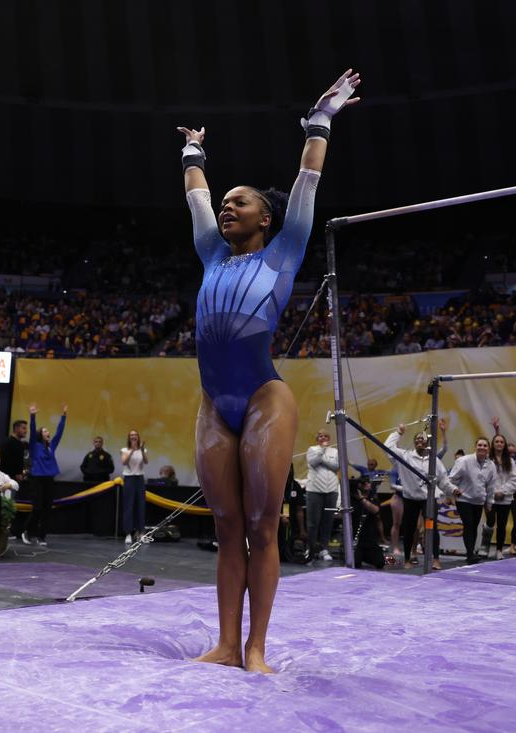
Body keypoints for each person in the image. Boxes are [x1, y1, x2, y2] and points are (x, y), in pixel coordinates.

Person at [179, 68, 360, 673]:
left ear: (265, 218)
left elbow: (308, 180)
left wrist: (321, 119)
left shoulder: (287, 248)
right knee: (227, 525)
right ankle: (227, 645)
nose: (227, 207)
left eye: (241, 201)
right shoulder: (210, 252)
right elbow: (196, 197)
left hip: (263, 395)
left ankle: (257, 648)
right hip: (214, 402)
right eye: (226, 202)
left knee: (262, 524)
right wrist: (192, 151)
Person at [384, 424, 456, 570]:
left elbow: (443, 480)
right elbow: (387, 447)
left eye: (422, 439)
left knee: (432, 528)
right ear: (414, 442)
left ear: (427, 442)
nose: (420, 441)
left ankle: (435, 559)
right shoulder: (404, 457)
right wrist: (398, 433)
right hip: (411, 499)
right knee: (409, 529)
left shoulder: (434, 460)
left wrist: (453, 490)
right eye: (417, 439)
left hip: (429, 500)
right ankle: (407, 559)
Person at [448, 437, 498, 564]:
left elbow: (491, 487)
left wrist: (489, 503)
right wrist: (454, 489)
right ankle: (470, 554)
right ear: (475, 446)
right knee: (468, 525)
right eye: (480, 445)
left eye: (485, 445)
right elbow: (451, 479)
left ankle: (470, 553)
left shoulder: (491, 465)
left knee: (474, 527)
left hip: (479, 501)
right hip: (464, 499)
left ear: (488, 449)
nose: (482, 447)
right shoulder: (463, 461)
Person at [25, 403, 66, 547]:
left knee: (47, 509)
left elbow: (59, 433)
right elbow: (31, 429)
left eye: (48, 431)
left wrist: (64, 416)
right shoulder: (34, 446)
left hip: (49, 479)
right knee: (37, 508)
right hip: (37, 478)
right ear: (40, 435)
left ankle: (42, 536)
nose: (48, 433)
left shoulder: (51, 446)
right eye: (45, 431)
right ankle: (29, 533)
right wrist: (33, 415)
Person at [490, 416, 516, 555]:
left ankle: (513, 544)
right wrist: (496, 430)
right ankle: (489, 544)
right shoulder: (500, 459)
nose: (513, 453)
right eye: (511, 452)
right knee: (493, 521)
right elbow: (497, 443)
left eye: (515, 452)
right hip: (500, 492)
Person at [305, 429, 340, 563]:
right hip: (314, 490)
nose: (323, 437)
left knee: (327, 522)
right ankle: (311, 548)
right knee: (313, 522)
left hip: (331, 490)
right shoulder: (312, 449)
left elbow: (336, 466)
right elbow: (313, 462)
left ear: (329, 438)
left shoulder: (335, 452)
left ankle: (324, 549)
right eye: (320, 436)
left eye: (325, 436)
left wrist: (323, 460)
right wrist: (322, 451)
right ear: (317, 439)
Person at [120, 429, 149, 545]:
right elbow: (124, 462)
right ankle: (128, 534)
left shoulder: (143, 450)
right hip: (129, 479)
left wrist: (141, 450)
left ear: (138, 437)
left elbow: (146, 462)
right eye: (131, 435)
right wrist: (132, 450)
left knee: (140, 506)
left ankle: (141, 533)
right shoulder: (124, 450)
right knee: (129, 506)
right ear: (129, 438)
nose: (133, 437)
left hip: (139, 479)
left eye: (135, 435)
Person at [350, 478, 385, 569]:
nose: (368, 484)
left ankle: (364, 557)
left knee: (380, 563)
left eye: (368, 482)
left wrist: (362, 499)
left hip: (370, 540)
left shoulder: (372, 498)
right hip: (357, 541)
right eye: (365, 483)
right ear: (359, 486)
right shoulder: (351, 500)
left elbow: (375, 510)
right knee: (355, 564)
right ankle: (358, 556)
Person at [0, 419, 30, 484]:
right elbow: (5, 461)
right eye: (24, 428)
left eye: (26, 429)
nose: (26, 431)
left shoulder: (21, 444)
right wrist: (16, 474)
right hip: (7, 479)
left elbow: (19, 461)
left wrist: (21, 472)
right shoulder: (7, 443)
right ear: (16, 428)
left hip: (18, 479)